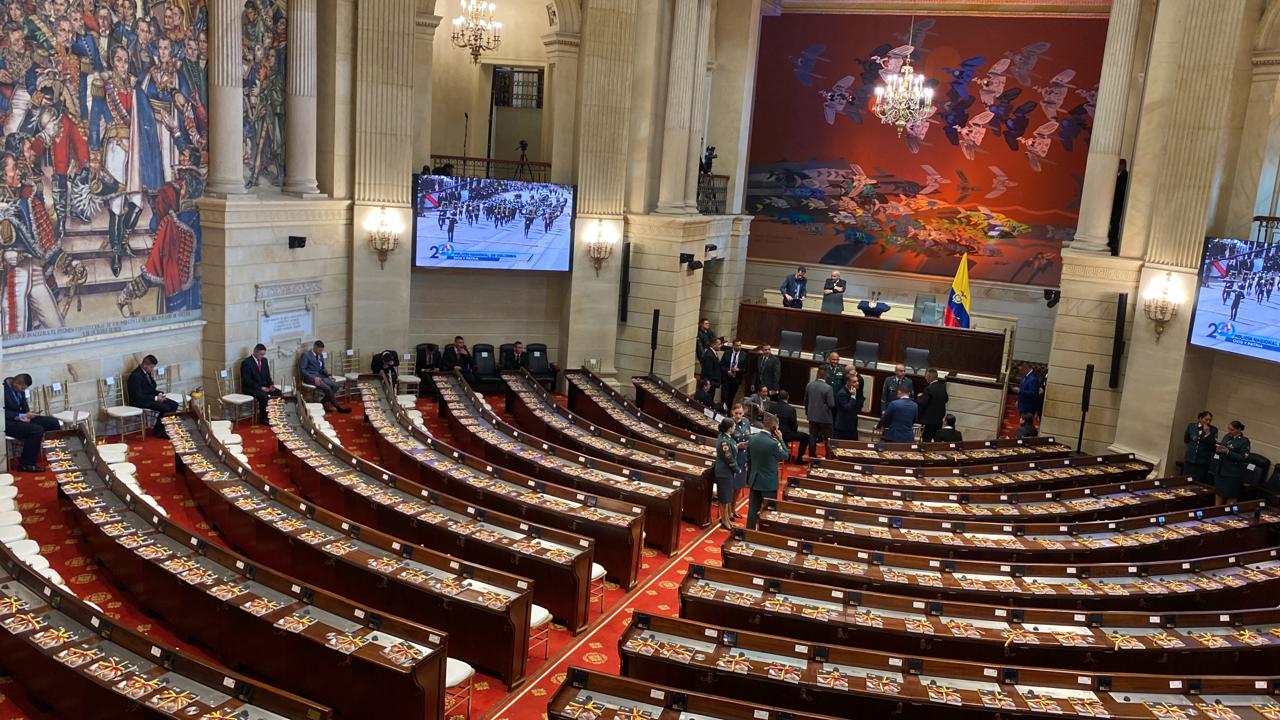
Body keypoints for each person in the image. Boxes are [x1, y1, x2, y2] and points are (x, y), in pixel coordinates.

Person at [4, 373, 58, 471]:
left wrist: (29, 414)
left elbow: (24, 406)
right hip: (7, 423)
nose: (23, 391)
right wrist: (20, 416)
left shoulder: (19, 388)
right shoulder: (2, 390)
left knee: (53, 422)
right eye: (22, 388)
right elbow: (2, 413)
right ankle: (26, 464)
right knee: (37, 430)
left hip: (22, 418)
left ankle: (55, 453)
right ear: (16, 383)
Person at [746, 414, 789, 530]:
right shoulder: (774, 443)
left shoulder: (752, 438)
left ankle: (750, 533)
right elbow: (785, 455)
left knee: (752, 510)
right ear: (774, 427)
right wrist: (780, 439)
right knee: (768, 512)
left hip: (754, 480)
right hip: (768, 484)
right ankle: (765, 534)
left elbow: (748, 459)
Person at [127, 355, 180, 439]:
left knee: (174, 404)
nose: (152, 369)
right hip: (139, 401)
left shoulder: (146, 372)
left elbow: (150, 388)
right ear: (145, 365)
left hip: (150, 397)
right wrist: (155, 398)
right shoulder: (136, 376)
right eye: (151, 367)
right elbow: (138, 396)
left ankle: (165, 428)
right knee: (165, 408)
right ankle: (158, 431)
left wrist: (159, 394)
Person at [300, 341, 352, 414]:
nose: (321, 352)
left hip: (321, 376)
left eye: (322, 350)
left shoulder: (320, 355)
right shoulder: (306, 355)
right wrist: (313, 378)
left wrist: (328, 375)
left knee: (336, 386)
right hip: (311, 378)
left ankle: (322, 402)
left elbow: (322, 368)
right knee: (328, 388)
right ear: (315, 347)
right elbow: (303, 370)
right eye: (319, 350)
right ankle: (338, 407)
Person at [240, 344, 282, 424]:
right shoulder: (246, 363)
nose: (262, 356)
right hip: (250, 388)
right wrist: (260, 388)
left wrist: (271, 385)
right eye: (261, 354)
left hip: (264, 386)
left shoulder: (264, 361)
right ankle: (264, 418)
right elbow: (247, 380)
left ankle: (275, 415)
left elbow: (267, 376)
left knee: (278, 393)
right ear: (255, 352)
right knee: (264, 396)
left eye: (263, 354)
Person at [1213, 420, 1251, 505]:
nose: (1229, 431)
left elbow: (1243, 457)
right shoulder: (1227, 436)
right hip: (1221, 470)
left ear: (1239, 430)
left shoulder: (1244, 441)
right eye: (1229, 429)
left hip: (1232, 473)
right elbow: (1222, 448)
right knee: (1219, 493)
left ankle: (1229, 515)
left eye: (1232, 430)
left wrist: (1228, 452)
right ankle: (1216, 512)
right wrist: (1218, 450)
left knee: (1231, 495)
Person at [713, 417, 741, 530]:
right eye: (734, 426)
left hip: (727, 472)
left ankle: (727, 518)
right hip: (724, 472)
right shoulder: (724, 441)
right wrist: (737, 469)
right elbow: (729, 458)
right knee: (724, 498)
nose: (735, 428)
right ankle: (724, 520)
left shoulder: (727, 437)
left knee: (727, 497)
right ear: (730, 428)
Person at [771, 390, 810, 463]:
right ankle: (799, 459)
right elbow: (794, 426)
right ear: (788, 398)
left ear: (778, 397)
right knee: (806, 437)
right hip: (786, 434)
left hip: (773, 433)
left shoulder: (772, 407)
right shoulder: (791, 409)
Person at [804, 367, 835, 459]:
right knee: (827, 438)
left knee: (812, 436)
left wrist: (808, 413)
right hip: (825, 418)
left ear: (817, 375)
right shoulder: (828, 388)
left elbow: (805, 401)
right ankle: (828, 456)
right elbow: (831, 404)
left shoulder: (809, 385)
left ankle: (812, 455)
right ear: (826, 376)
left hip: (812, 416)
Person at [1183, 410, 1217, 485]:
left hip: (1202, 462)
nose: (1208, 422)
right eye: (1206, 419)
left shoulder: (1213, 430)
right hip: (1190, 460)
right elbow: (1186, 439)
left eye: (1210, 420)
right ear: (1200, 418)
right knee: (1185, 480)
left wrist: (1208, 434)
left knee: (1198, 483)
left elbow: (1212, 446)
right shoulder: (1191, 426)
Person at [730, 403, 752, 518]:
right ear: (732, 413)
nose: (738, 416)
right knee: (731, 487)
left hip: (743, 458)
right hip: (734, 457)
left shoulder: (746, 422)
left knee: (739, 486)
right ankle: (728, 511)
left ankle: (733, 509)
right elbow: (727, 440)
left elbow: (749, 436)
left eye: (740, 413)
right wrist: (737, 445)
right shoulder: (729, 423)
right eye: (736, 413)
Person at [915, 368, 949, 442]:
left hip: (928, 421)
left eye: (926, 376)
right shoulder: (942, 387)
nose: (925, 378)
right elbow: (946, 399)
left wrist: (919, 397)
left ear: (930, 377)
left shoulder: (929, 388)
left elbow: (923, 403)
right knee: (937, 440)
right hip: (939, 419)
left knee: (926, 440)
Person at [834, 372, 864, 441]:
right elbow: (847, 408)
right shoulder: (842, 393)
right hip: (843, 427)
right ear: (848, 382)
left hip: (852, 426)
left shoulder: (855, 391)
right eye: (854, 382)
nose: (857, 383)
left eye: (857, 381)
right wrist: (853, 396)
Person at [720, 338, 747, 407]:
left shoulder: (744, 355)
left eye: (740, 345)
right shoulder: (727, 353)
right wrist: (727, 371)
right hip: (726, 378)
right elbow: (721, 365)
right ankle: (721, 411)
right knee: (724, 396)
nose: (738, 347)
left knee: (731, 397)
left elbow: (746, 369)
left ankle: (728, 412)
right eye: (737, 345)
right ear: (733, 346)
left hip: (736, 380)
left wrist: (739, 370)